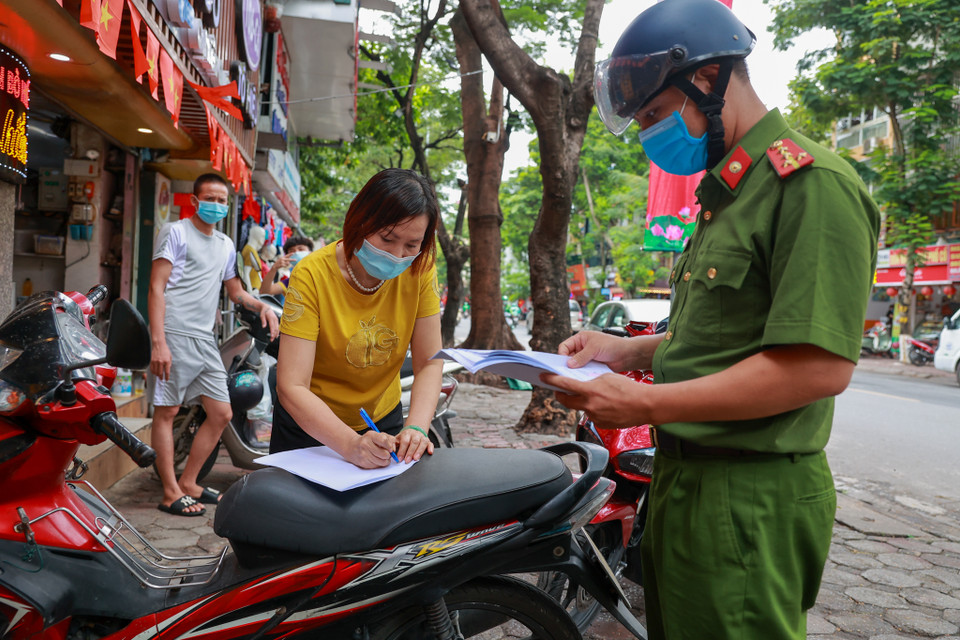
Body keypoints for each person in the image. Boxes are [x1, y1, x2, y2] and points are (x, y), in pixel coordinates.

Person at [542, 1, 880, 638]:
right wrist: (626, 353)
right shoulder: (728, 194)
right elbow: (721, 338)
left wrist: (646, 405)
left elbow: (814, 368)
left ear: (707, 79)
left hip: (748, 494)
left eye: (654, 115)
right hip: (682, 480)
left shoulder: (810, 186)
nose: (650, 135)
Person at [271, 169, 442, 468]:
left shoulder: (421, 269)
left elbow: (430, 361)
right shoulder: (312, 274)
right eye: (387, 238)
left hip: (381, 423)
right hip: (309, 426)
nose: (397, 254)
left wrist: (415, 427)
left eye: (412, 245)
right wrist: (350, 444)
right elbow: (292, 385)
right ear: (360, 220)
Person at [149, 173, 280, 517]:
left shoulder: (224, 244)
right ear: (194, 201)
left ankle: (190, 482)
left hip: (206, 338)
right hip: (174, 333)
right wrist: (158, 341)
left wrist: (262, 305)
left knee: (221, 413)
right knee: (167, 412)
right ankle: (169, 492)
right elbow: (156, 288)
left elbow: (235, 292)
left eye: (223, 200)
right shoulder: (176, 233)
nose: (217, 205)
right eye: (210, 198)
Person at [260, 235, 315, 300]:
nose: (296, 252)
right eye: (292, 251)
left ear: (310, 253)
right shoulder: (291, 282)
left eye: (301, 249)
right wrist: (274, 268)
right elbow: (265, 292)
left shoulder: (321, 274)